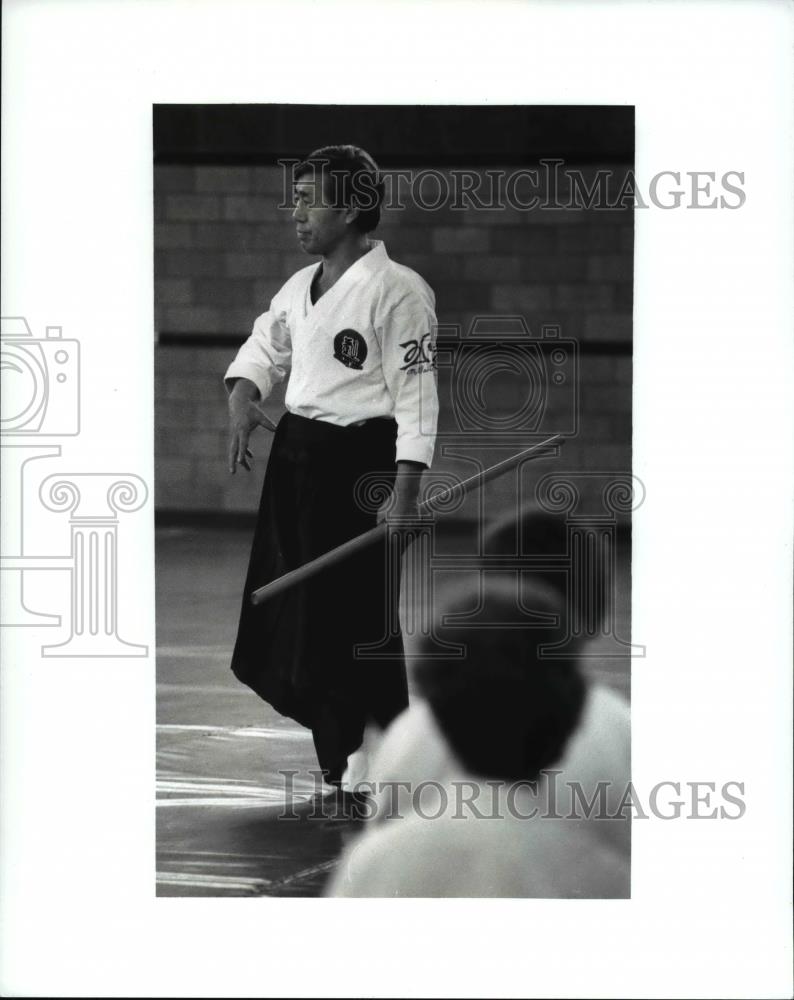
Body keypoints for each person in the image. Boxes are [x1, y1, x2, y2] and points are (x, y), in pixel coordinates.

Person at [224, 145, 439, 796]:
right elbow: (267, 345)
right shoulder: (299, 286)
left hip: (360, 466)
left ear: (348, 209)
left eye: (308, 200)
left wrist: (404, 491)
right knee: (297, 614)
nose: (295, 213)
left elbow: (417, 395)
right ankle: (337, 754)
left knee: (359, 616)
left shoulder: (399, 291)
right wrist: (244, 392)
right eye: (294, 198)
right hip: (297, 463)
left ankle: (382, 752)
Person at [325, 511, 630, 897]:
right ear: (598, 611)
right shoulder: (622, 733)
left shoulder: (413, 735)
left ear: (485, 596)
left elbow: (384, 830)